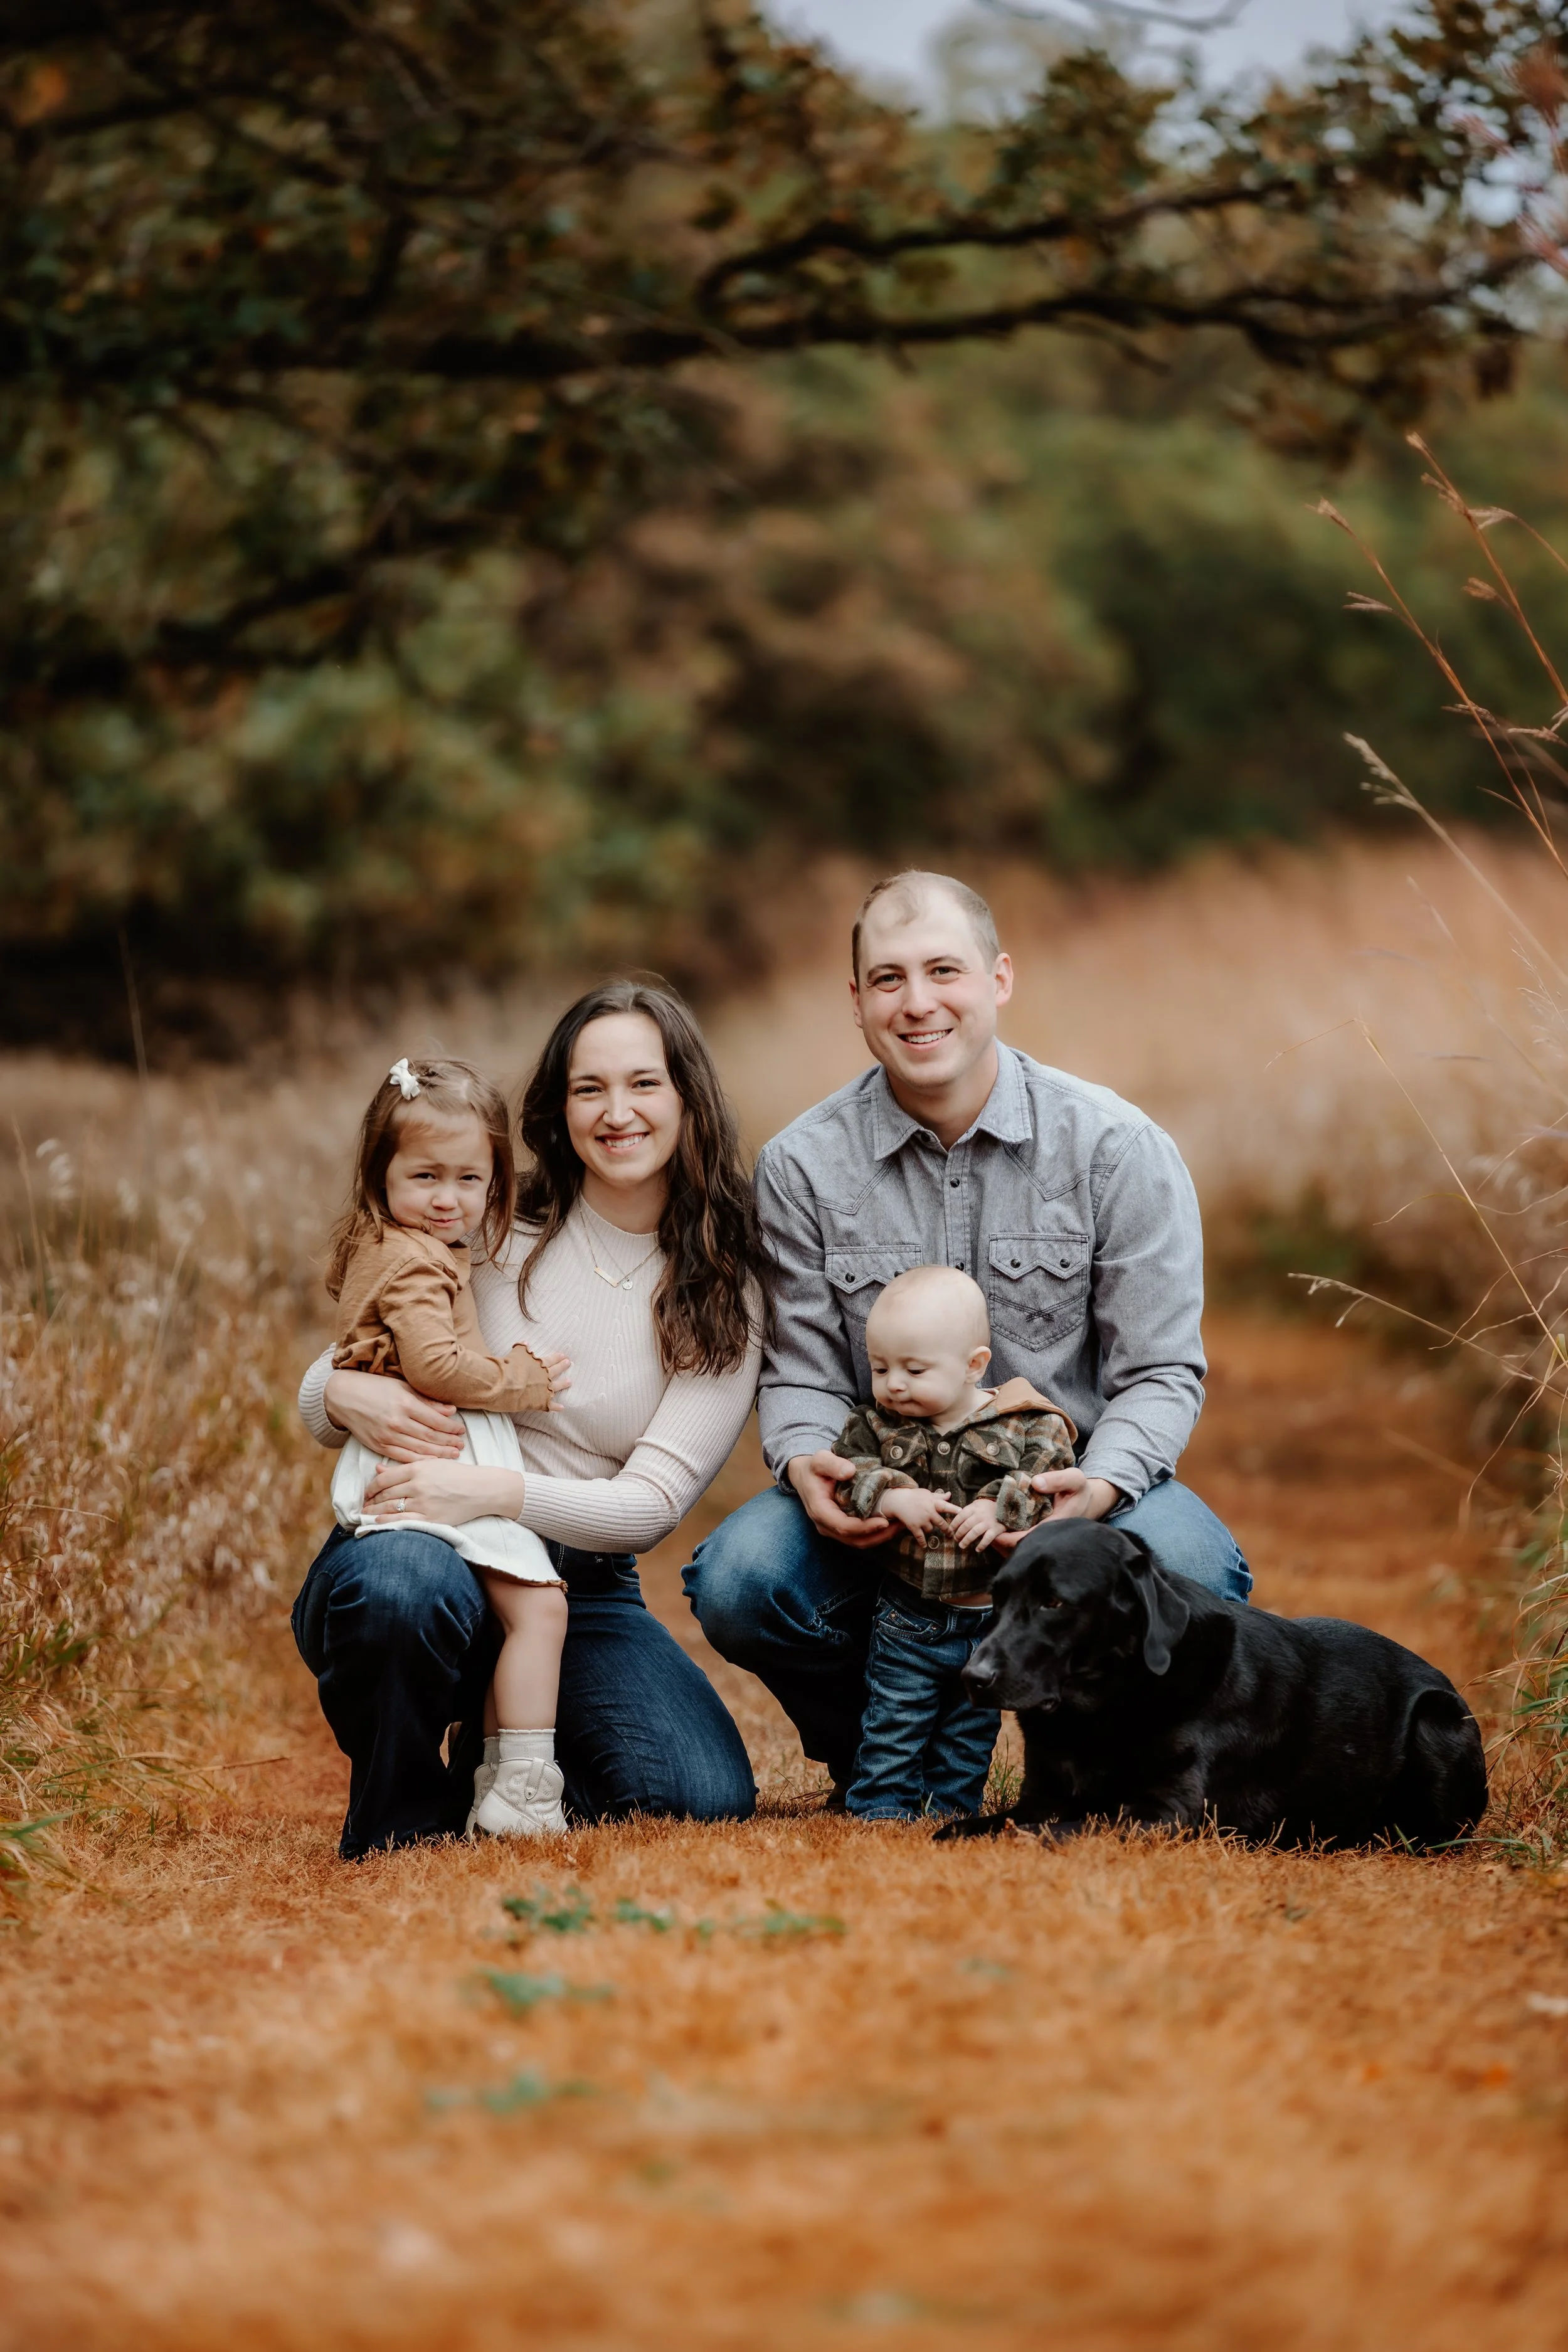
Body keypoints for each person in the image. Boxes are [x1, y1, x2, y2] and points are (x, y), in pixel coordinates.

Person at [682, 868, 1252, 1800]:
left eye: (944, 970)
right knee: (744, 1577)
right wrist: (803, 1464)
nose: (918, 1003)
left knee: (1192, 1572)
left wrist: (1101, 1485)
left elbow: (1158, 1372)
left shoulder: (1117, 1148)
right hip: (898, 1501)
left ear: (999, 979)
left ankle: (1098, 1765)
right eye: (890, 978)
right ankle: (879, 1745)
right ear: (857, 1000)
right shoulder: (801, 1166)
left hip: (1069, 1487)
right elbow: (800, 1373)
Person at [292, 983, 768, 1858]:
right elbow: (361, 1349)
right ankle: (397, 1812)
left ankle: (498, 1747)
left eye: (644, 1084)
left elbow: (652, 1505)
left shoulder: (720, 1286)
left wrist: (486, 1489)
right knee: (399, 1591)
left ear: (688, 1098)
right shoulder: (490, 1220)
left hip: (577, 1583)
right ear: (558, 1105)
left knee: (699, 1792)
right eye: (590, 1087)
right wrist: (338, 1391)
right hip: (421, 1535)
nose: (617, 1112)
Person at [323, 1052, 573, 1840]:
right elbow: (433, 1365)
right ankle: (517, 1789)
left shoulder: (396, 1249)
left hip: (433, 1450)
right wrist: (522, 1378)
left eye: (470, 1180)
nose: (448, 1200)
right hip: (437, 1451)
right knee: (538, 1606)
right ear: (380, 1177)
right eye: (426, 1176)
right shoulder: (414, 1263)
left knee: (523, 1609)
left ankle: (499, 1782)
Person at [833, 1264, 1076, 1822]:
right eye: (880, 1367)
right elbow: (848, 1471)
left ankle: (952, 1812)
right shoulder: (877, 1426)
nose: (894, 1383)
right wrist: (890, 1495)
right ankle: (879, 1811)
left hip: (992, 1620)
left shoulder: (1022, 1423)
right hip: (910, 1614)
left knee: (970, 1728)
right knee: (894, 1719)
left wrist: (999, 1505)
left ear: (974, 1365)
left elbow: (1048, 1471)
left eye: (915, 1369)